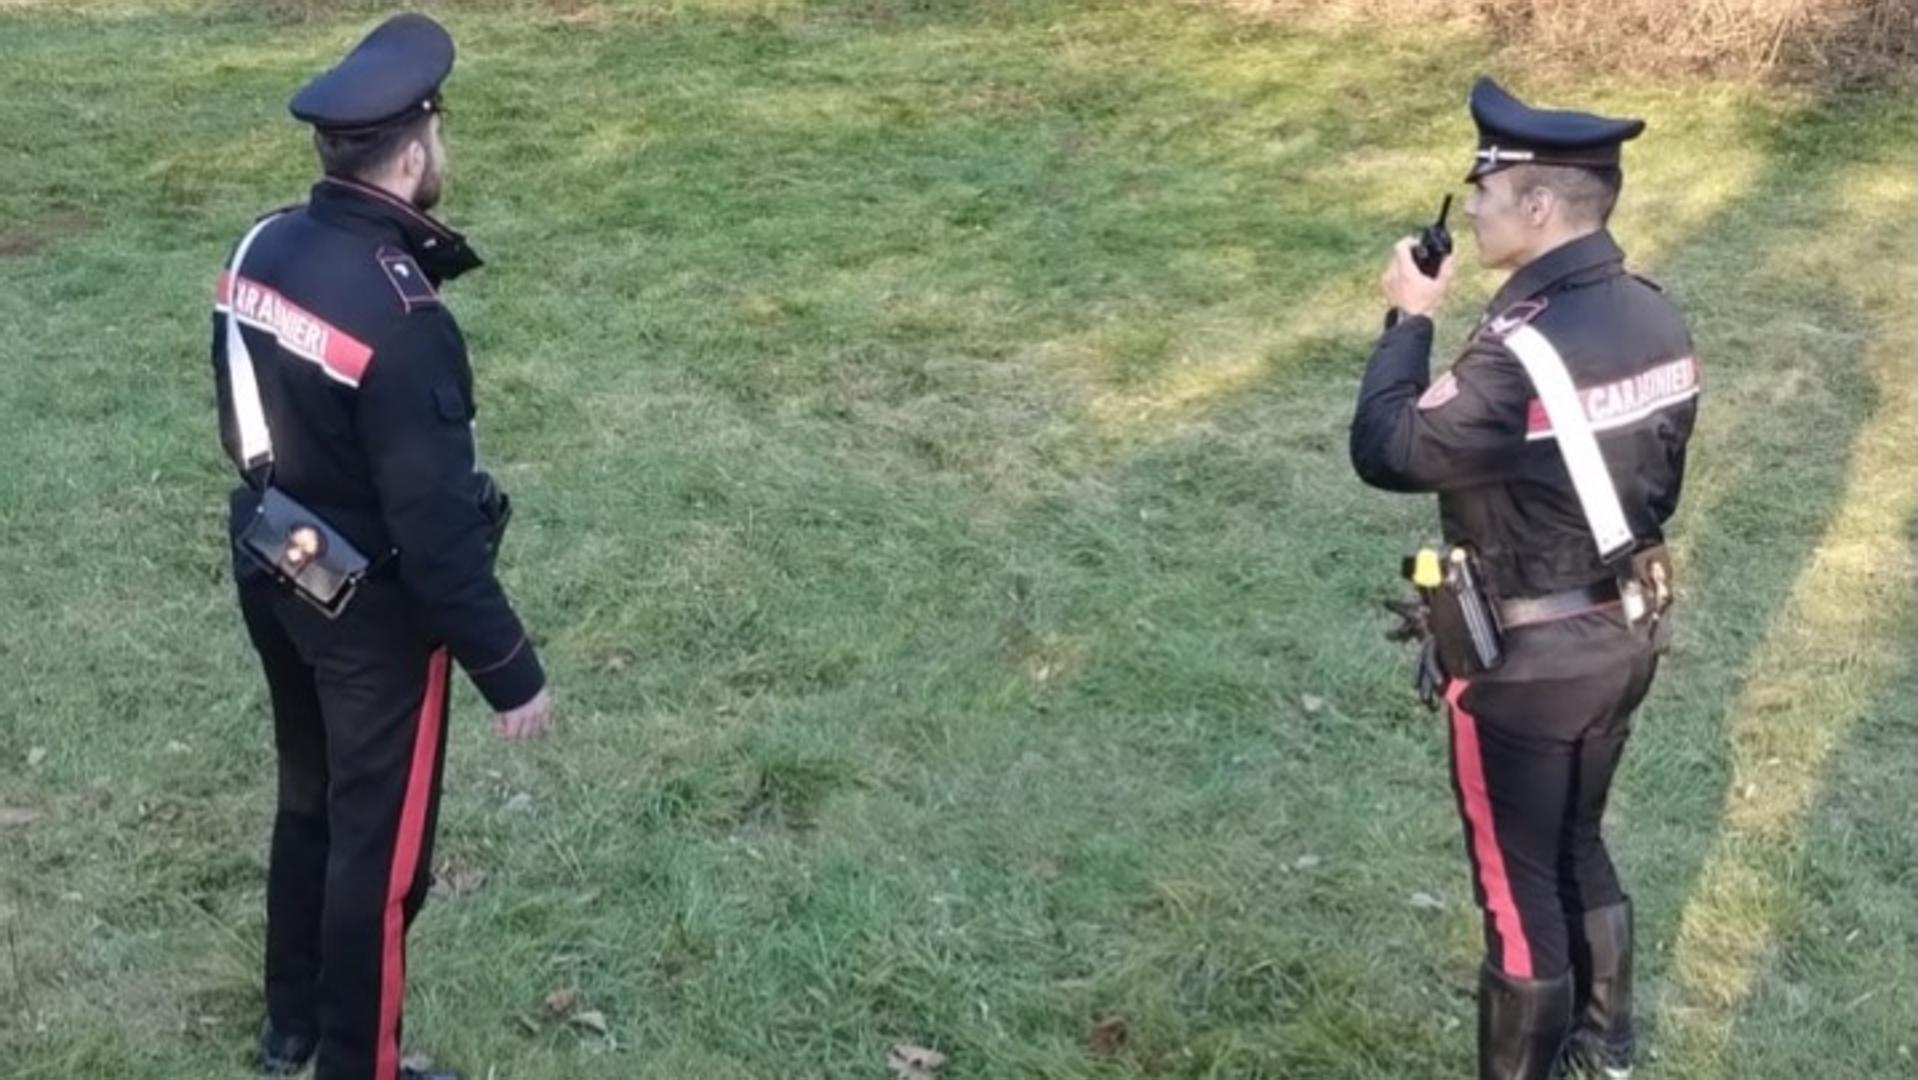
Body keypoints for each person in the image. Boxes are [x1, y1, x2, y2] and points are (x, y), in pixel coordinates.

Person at [209, 14, 553, 1080]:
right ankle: (360, 1065)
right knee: (379, 852)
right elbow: (437, 536)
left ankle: (293, 1029)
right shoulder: (406, 320)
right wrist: (512, 673)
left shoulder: (261, 246)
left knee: (310, 798)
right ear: (412, 151)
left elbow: (240, 414)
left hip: (274, 558)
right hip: (373, 623)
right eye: (438, 134)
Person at [1350, 77, 1699, 1080]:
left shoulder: (1520, 351)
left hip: (1527, 666)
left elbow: (1388, 448)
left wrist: (1408, 318)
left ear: (1539, 204)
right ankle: (1604, 1048)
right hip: (1622, 633)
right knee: (1575, 843)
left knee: (1516, 894)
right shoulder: (1654, 314)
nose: (1474, 209)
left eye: (1487, 191)